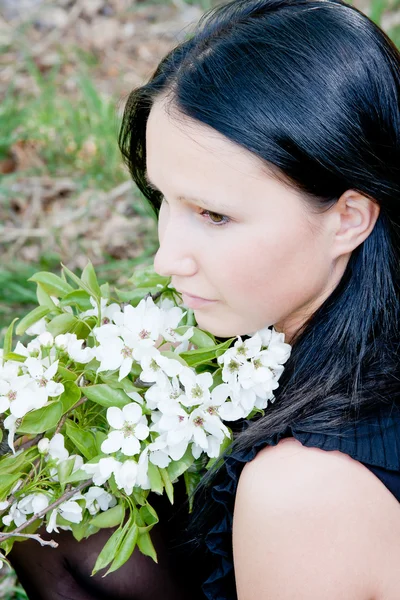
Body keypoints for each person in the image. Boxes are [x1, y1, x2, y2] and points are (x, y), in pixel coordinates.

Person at [8, 0, 400, 598]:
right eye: (165, 198)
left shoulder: (304, 492)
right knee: (46, 482)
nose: (166, 260)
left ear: (348, 218)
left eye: (215, 215)